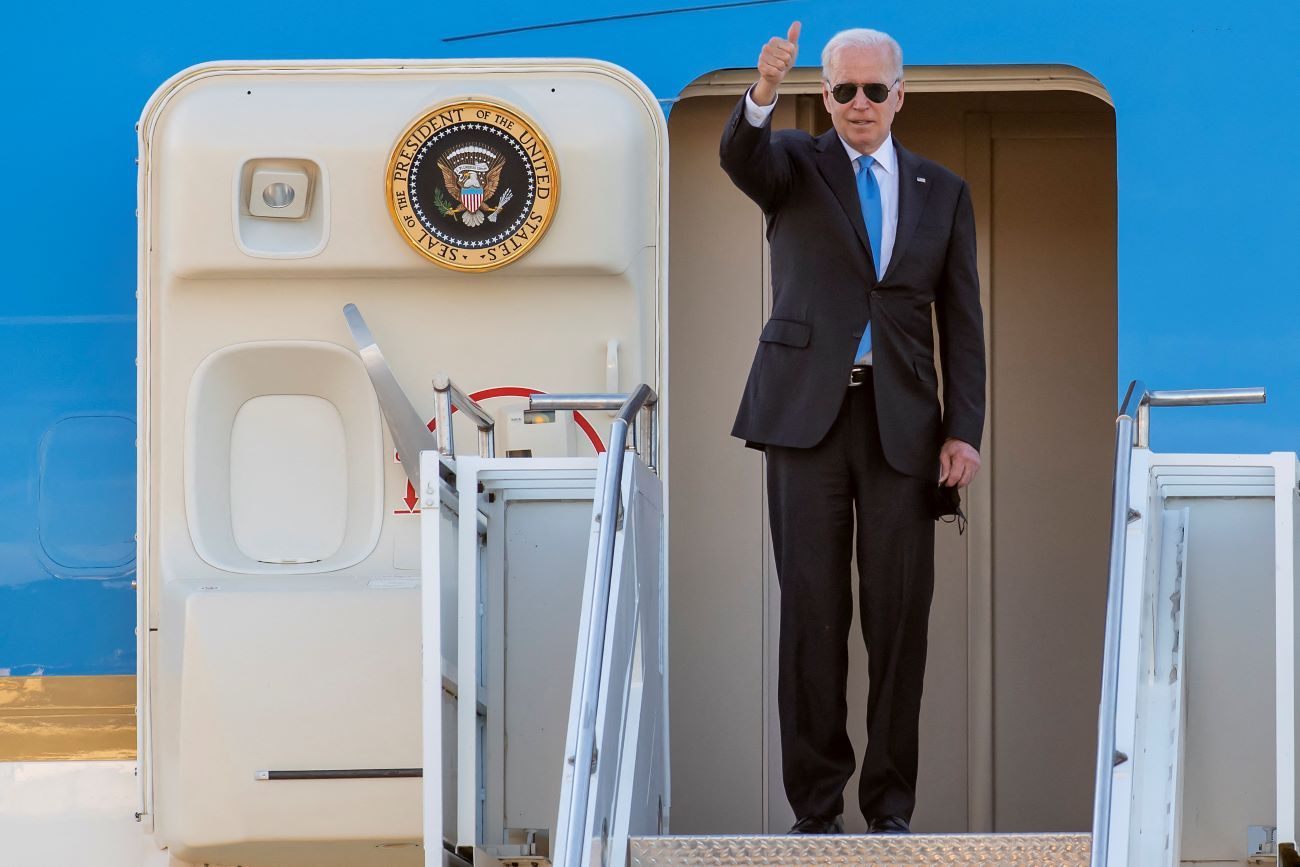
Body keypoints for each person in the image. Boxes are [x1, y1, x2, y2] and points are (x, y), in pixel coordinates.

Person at [719, 23, 986, 835]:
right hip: (806, 418)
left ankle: (891, 807)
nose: (860, 104)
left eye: (875, 89)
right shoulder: (795, 163)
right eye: (843, 90)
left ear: (901, 93)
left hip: (903, 426)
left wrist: (965, 429)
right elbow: (741, 157)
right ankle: (815, 809)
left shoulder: (942, 188)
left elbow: (962, 320)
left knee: (901, 617)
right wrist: (763, 91)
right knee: (811, 610)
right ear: (824, 94)